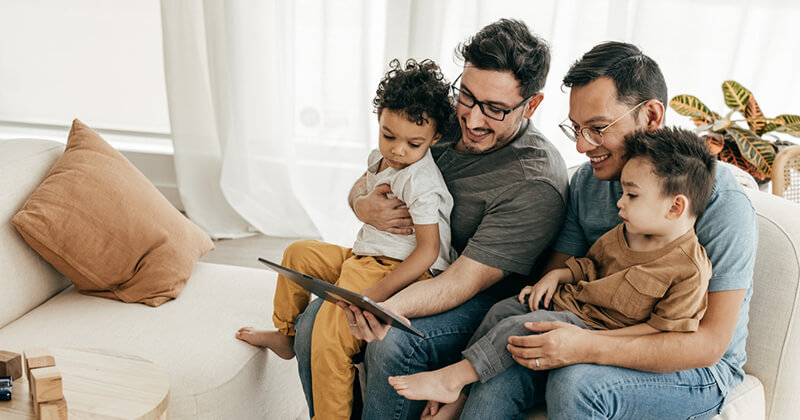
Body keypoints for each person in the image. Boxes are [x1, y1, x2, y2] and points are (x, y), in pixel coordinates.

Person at [457, 41, 758, 420]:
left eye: (598, 128)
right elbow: (559, 284)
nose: (583, 145)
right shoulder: (588, 183)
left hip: (693, 368)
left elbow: (708, 344)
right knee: (506, 366)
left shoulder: (718, 202)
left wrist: (586, 346)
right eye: (577, 129)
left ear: (650, 116)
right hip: (597, 325)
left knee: (577, 383)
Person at [291, 19, 569, 419]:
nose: (472, 121)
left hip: (479, 297)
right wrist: (361, 203)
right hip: (414, 267)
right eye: (468, 97)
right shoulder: (438, 121)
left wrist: (379, 305)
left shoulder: (535, 180)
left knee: (391, 341)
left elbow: (464, 282)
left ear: (532, 105)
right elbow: (374, 172)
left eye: (494, 109)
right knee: (312, 323)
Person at [388, 127, 716, 408]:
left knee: (524, 327)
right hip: (571, 308)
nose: (620, 202)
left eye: (631, 195)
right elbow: (588, 266)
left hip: (598, 332)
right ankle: (464, 383)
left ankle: (453, 379)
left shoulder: (689, 269)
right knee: (504, 311)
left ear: (675, 207)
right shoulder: (622, 234)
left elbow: (664, 330)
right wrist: (557, 275)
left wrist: (608, 339)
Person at [235, 58, 460, 419]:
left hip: (400, 268)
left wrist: (374, 295)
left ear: (434, 139)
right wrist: (360, 204)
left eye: (413, 143)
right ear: (378, 122)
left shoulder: (422, 182)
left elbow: (429, 251)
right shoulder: (381, 159)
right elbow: (361, 192)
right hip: (364, 256)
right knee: (298, 253)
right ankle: (288, 336)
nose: (398, 150)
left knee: (329, 333)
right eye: (389, 136)